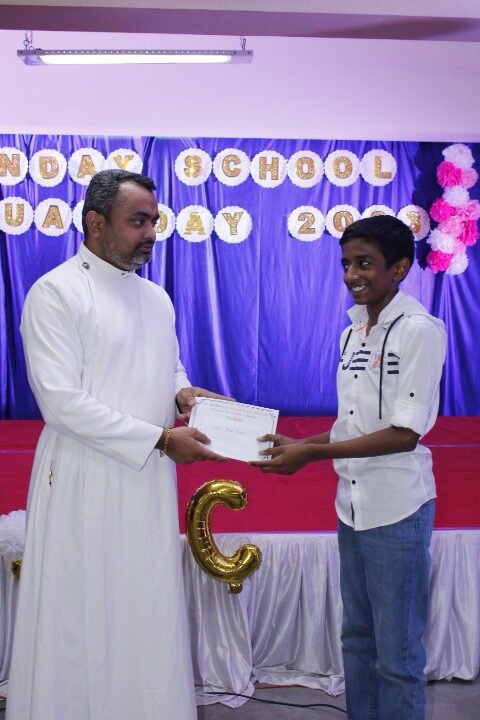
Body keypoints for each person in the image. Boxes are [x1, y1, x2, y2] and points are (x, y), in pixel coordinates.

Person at [7, 169, 230, 720]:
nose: (151, 232)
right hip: (82, 477)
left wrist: (183, 393)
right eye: (138, 221)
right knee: (80, 611)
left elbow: (168, 366)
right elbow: (61, 402)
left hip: (148, 477)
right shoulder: (56, 292)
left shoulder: (156, 298)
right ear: (96, 223)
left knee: (145, 604)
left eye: (154, 221)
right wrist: (161, 438)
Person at [252, 215, 446, 720]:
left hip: (397, 510)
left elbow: (405, 435)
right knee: (357, 639)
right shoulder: (352, 333)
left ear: (399, 268)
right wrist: (300, 444)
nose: (351, 275)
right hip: (352, 507)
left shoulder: (419, 332)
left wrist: (310, 456)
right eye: (345, 264)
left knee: (397, 654)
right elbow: (350, 426)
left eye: (364, 263)